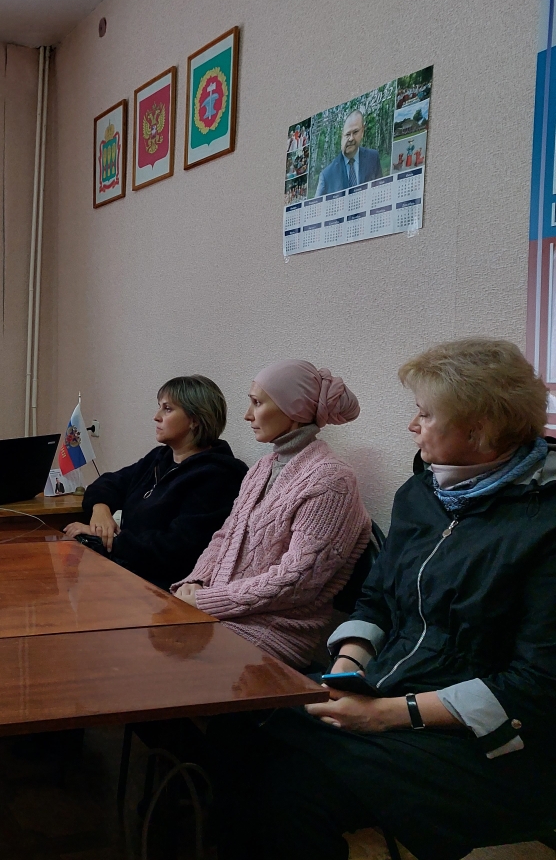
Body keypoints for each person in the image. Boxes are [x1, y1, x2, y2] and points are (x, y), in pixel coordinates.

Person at [213, 339, 556, 860]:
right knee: (244, 728)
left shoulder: (544, 526)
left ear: (479, 429)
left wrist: (387, 715)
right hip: (389, 689)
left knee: (286, 782)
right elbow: (376, 598)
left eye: (424, 414)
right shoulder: (422, 495)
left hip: (493, 739)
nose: (411, 427)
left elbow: (536, 688)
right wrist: (347, 668)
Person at [172, 360, 371, 668]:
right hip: (225, 615)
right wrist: (198, 580)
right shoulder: (264, 467)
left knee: (161, 666)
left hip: (272, 632)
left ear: (293, 409)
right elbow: (226, 534)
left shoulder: (332, 481)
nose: (247, 415)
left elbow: (297, 579)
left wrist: (206, 601)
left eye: (257, 402)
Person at [63, 375, 247, 589]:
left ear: (195, 419)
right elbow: (109, 483)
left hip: (163, 590)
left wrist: (101, 538)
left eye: (167, 409)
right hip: (126, 573)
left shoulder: (219, 475)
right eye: (159, 407)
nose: (156, 417)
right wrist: (100, 509)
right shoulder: (160, 458)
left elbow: (176, 550)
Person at [315, 109, 382, 195]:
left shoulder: (373, 158)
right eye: (347, 134)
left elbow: (381, 191)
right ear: (341, 136)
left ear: (362, 131)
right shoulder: (327, 175)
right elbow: (316, 207)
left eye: (355, 132)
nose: (351, 138)